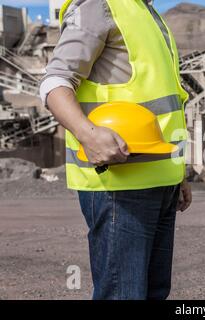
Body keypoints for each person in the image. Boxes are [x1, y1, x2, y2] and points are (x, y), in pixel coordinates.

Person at [40, 0, 192, 300]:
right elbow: (55, 82)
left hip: (161, 179)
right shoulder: (100, 5)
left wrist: (179, 173)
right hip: (118, 184)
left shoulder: (147, 13)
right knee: (123, 294)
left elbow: (163, 108)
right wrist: (89, 135)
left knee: (154, 291)